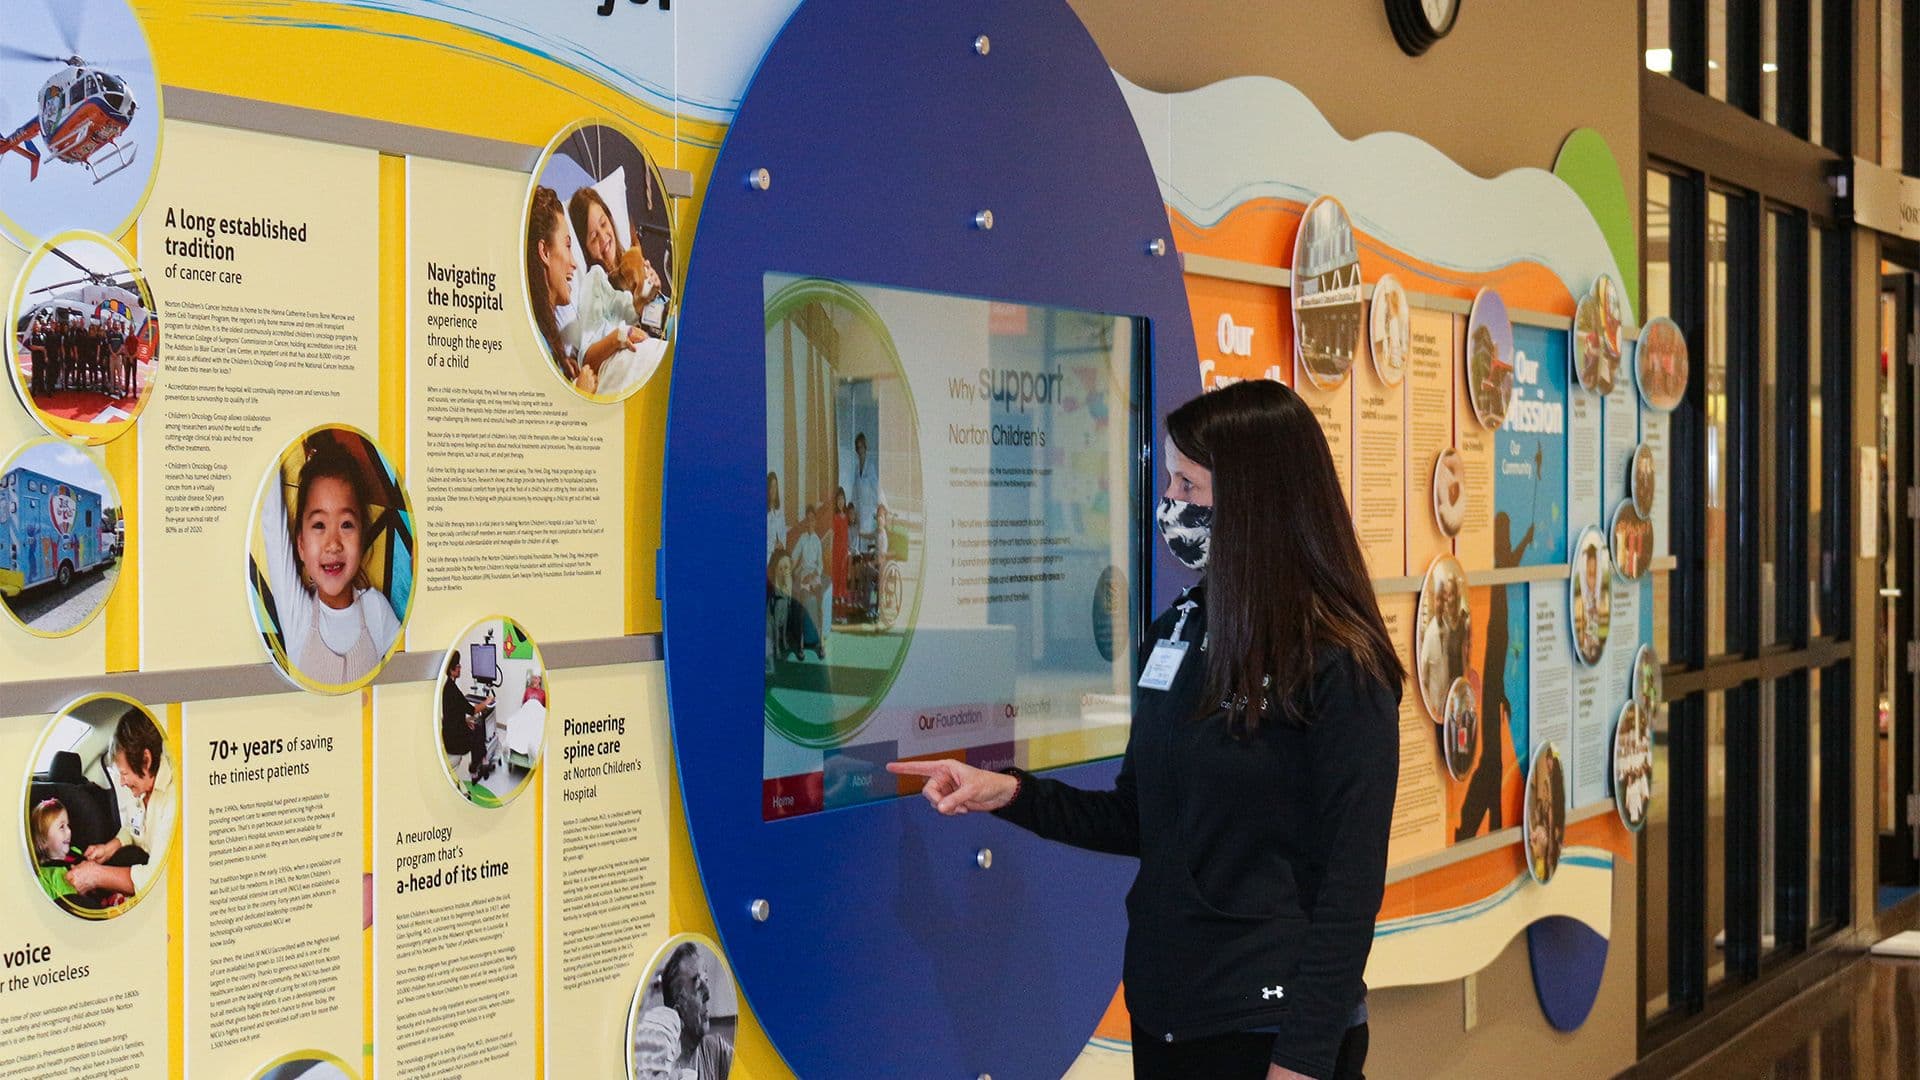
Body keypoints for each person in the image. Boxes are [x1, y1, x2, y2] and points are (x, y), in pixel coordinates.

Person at [888, 380, 1400, 1080]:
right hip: (1169, 1012)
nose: (1169, 502)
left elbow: (1351, 886)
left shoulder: (1340, 665)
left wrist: (1303, 1059)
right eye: (1169, 481)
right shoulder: (1180, 634)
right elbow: (1141, 816)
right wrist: (1007, 792)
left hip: (1271, 1029)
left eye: (1188, 484)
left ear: (1252, 499)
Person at [260, 443, 404, 687]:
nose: (333, 544)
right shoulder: (298, 615)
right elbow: (271, 515)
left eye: (346, 524)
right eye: (319, 525)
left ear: (362, 538)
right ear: (301, 545)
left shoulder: (376, 609)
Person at [527, 185, 645, 396]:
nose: (574, 263)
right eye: (567, 245)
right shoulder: (593, 281)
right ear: (544, 252)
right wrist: (580, 391)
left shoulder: (552, 348)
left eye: (604, 224)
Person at [64, 705, 175, 899]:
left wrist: (94, 875)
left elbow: (154, 878)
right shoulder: (141, 788)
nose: (122, 782)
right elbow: (133, 830)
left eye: (124, 773)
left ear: (146, 760)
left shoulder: (174, 798)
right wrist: (109, 849)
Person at [660, 943, 732, 1080]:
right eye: (698, 986)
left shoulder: (717, 1052)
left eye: (706, 980)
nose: (708, 994)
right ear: (677, 1014)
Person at [440, 649, 495, 785]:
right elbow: (473, 710)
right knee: (478, 730)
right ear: (452, 670)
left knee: (475, 726)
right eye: (458, 666)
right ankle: (474, 769)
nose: (460, 668)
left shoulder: (448, 687)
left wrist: (464, 721)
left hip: (449, 735)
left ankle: (482, 761)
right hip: (455, 742)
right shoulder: (453, 691)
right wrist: (487, 701)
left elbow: (451, 714)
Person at [30, 797, 84, 902]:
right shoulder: (46, 878)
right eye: (61, 827)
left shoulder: (76, 852)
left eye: (68, 825)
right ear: (43, 841)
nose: (69, 831)